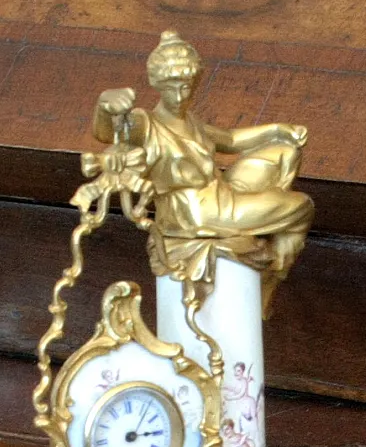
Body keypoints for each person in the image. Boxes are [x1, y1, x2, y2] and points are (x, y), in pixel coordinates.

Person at [92, 31, 314, 306]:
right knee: (301, 206)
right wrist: (105, 105)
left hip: (220, 193)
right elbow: (106, 133)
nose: (179, 95)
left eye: (186, 86)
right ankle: (274, 272)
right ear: (156, 83)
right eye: (171, 86)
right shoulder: (145, 123)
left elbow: (230, 140)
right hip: (196, 213)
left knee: (284, 152)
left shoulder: (191, 122)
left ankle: (266, 231)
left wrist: (278, 130)